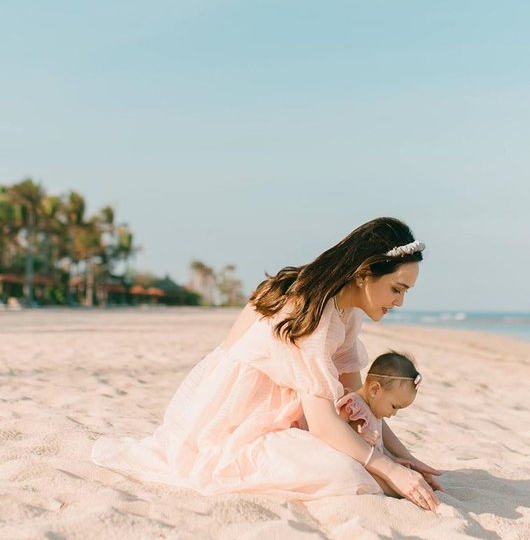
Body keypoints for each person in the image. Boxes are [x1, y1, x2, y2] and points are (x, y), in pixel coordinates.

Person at [92, 217, 442, 509]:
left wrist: (401, 457)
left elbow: (357, 393)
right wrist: (388, 469)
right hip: (235, 416)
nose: (399, 302)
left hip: (283, 407)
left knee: (365, 463)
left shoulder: (346, 309)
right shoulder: (314, 312)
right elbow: (322, 423)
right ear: (365, 274)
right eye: (397, 289)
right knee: (346, 473)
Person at [336, 351, 438, 497]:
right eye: (394, 406)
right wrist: (358, 433)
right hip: (356, 462)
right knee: (392, 489)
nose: (393, 414)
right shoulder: (354, 404)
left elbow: (379, 446)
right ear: (375, 390)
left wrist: (393, 458)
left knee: (404, 475)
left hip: (372, 463)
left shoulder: (373, 410)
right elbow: (338, 429)